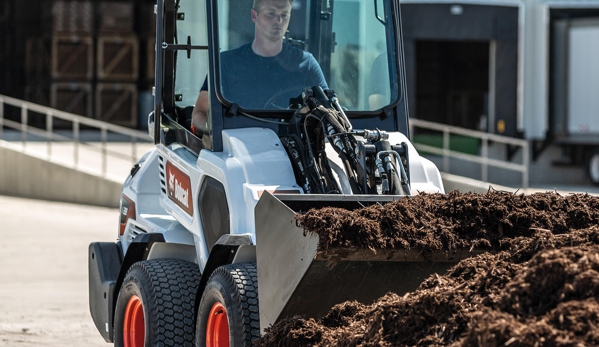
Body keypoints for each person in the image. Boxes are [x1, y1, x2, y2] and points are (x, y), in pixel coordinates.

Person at [191, 0, 328, 137]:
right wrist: (221, 136)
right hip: (236, 152)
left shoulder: (306, 64)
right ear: (254, 16)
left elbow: (329, 113)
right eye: (271, 13)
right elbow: (200, 114)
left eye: (284, 15)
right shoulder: (226, 63)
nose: (279, 20)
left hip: (293, 152)